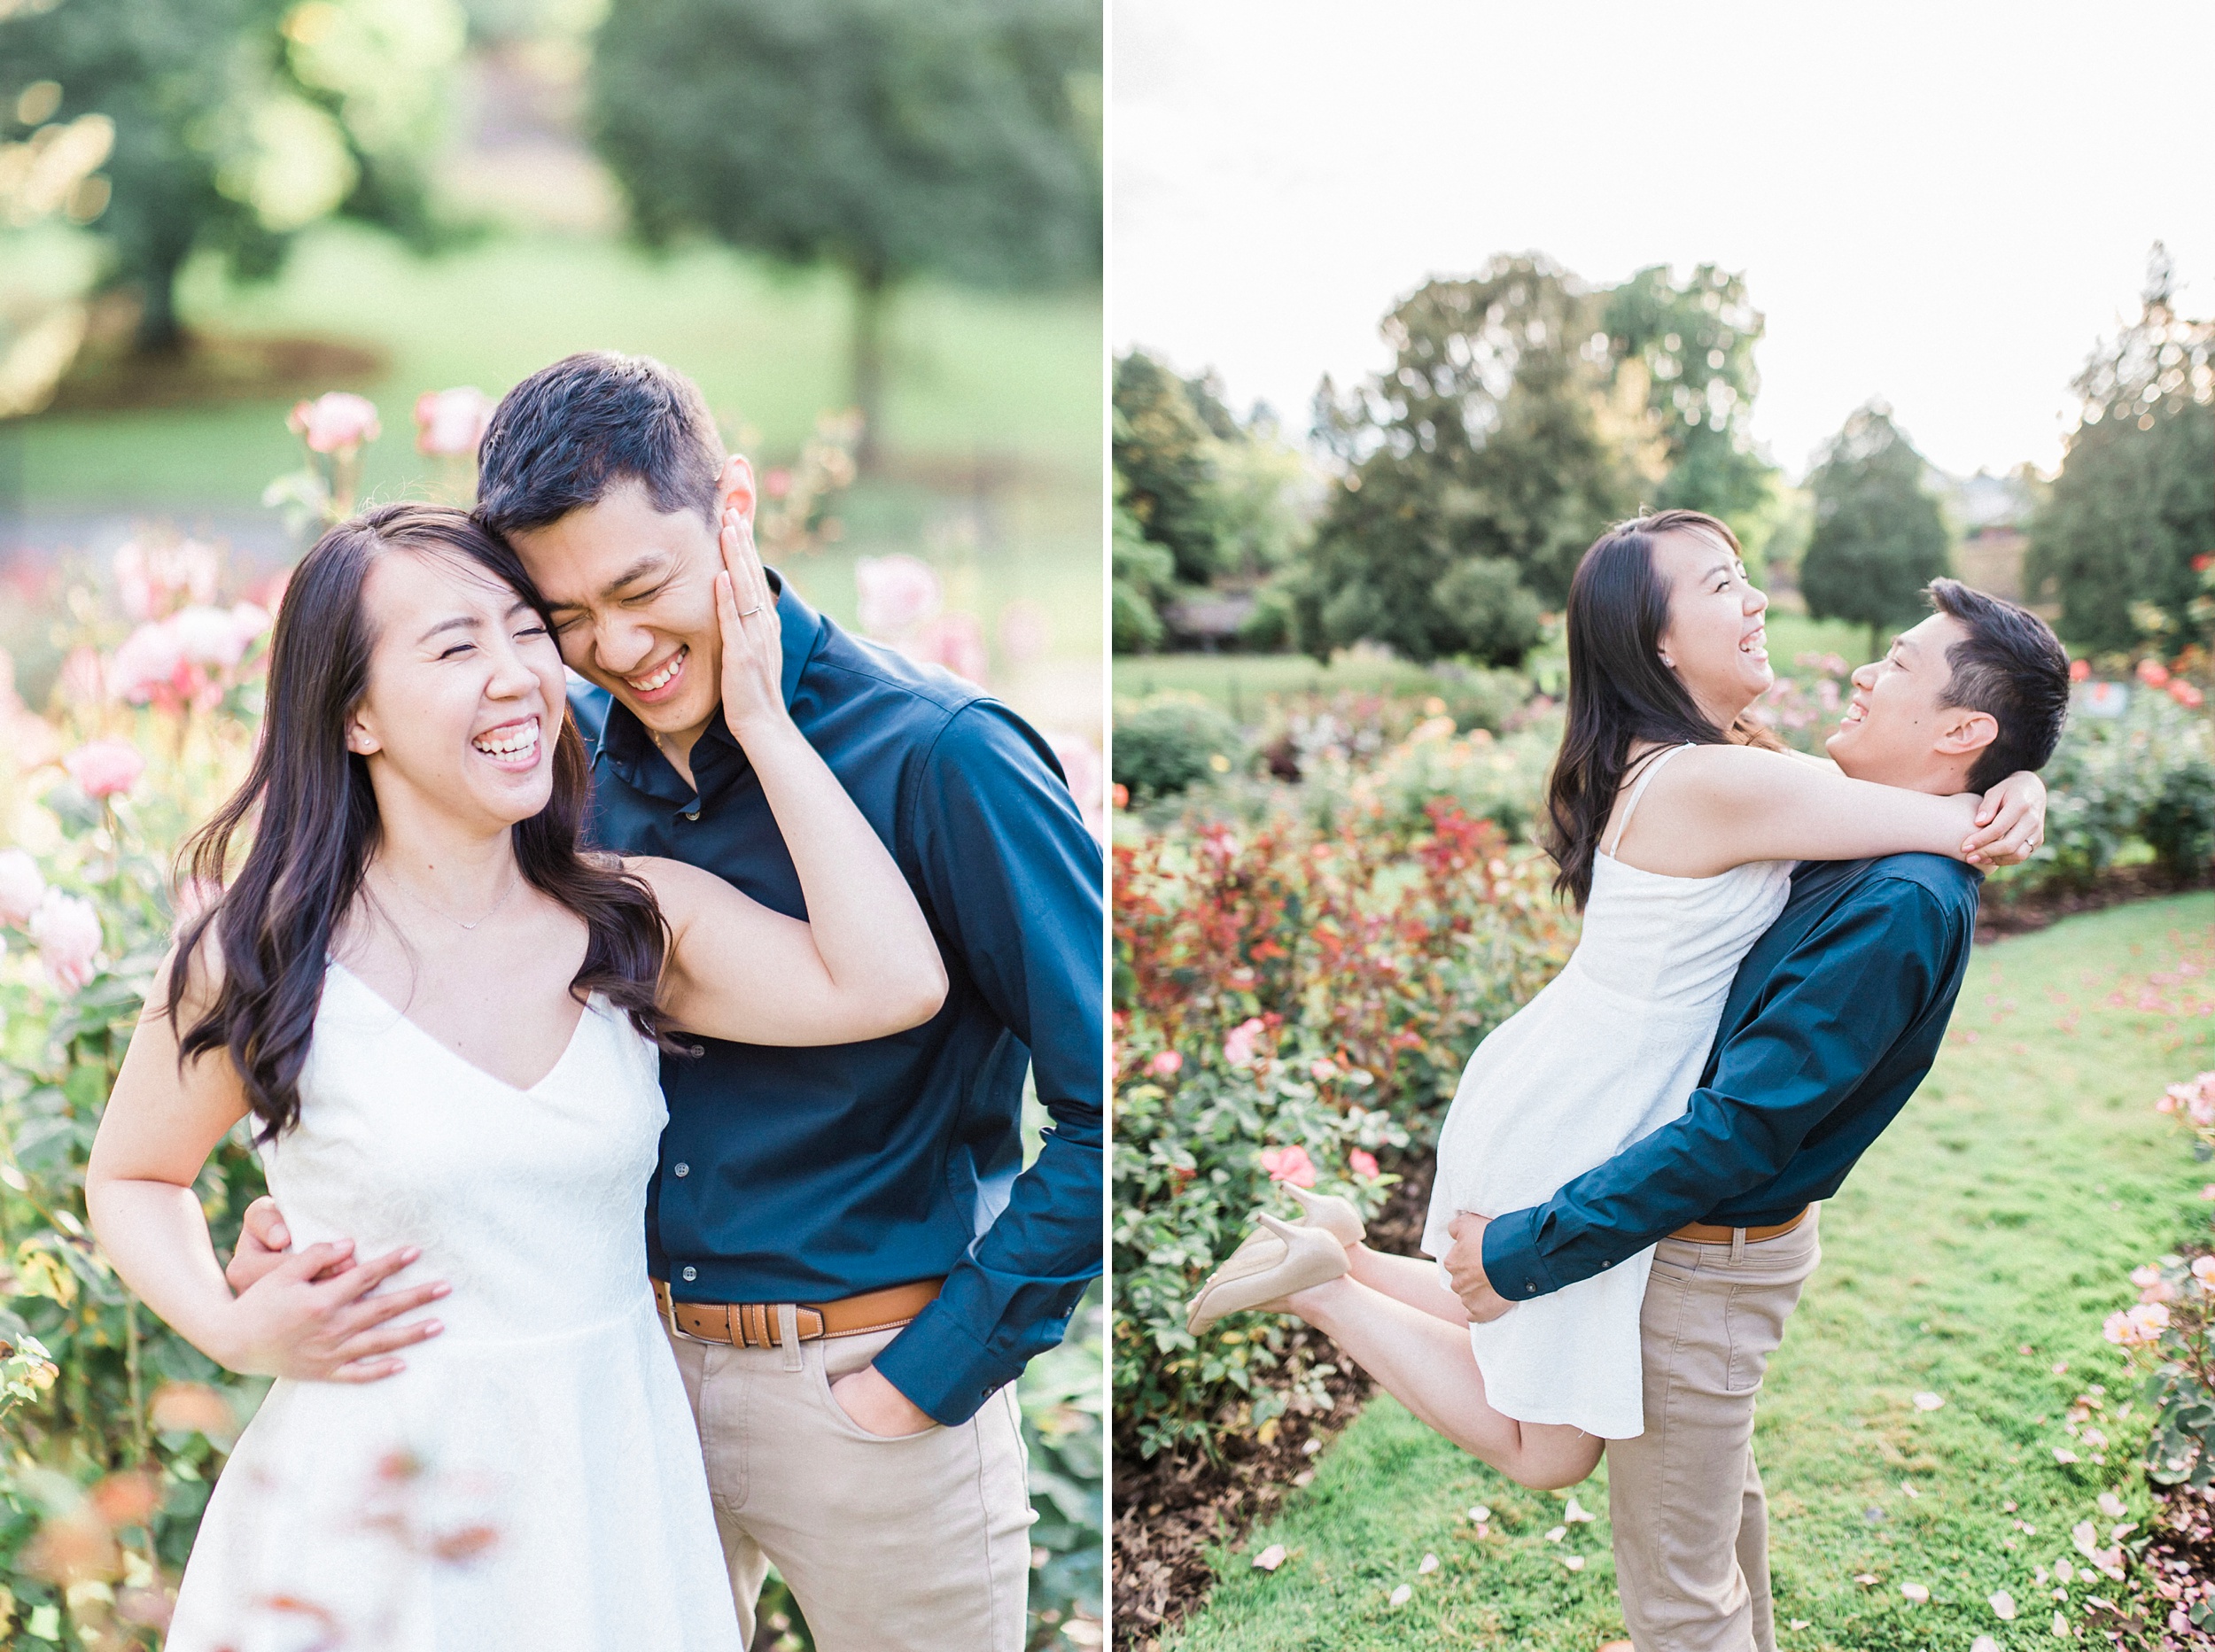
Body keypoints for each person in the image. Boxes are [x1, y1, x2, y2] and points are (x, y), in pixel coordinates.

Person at [223, 353, 1106, 1651]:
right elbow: (422, 973)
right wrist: (332, 1199)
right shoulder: (554, 767)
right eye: (564, 615)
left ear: (733, 510)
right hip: (621, 1409)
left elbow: (1110, 1108)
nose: (615, 649)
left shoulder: (943, 755)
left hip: (869, 1389)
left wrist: (938, 1371)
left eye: (643, 588)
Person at [87, 502, 948, 1648]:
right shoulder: (262, 953)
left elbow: (892, 983)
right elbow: (135, 1175)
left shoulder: (630, 921)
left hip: (609, 1504)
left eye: (525, 632)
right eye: (455, 648)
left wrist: (763, 717)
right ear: (354, 716)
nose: (519, 678)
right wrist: (230, 1328)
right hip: (369, 1514)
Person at [1183, 510, 2055, 1501]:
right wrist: (2017, 787)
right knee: (1546, 1440)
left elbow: (1930, 807)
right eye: (1722, 585)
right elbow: (1953, 819)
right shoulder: (1715, 779)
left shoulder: (1714, 761)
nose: (1755, 596)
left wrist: (2015, 774)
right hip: (1591, 1100)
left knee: (1514, 1322)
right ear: (1658, 642)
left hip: (1579, 1073)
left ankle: (1329, 1253)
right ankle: (1327, 1284)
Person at [1437, 571, 2071, 1650]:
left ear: (1963, 725)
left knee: (1680, 1597)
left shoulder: (1901, 900)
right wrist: (2011, 792)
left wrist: (1525, 1250)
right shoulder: (1868, 830)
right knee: (1717, 1525)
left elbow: (1740, 1130)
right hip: (1707, 1245)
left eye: (1900, 663)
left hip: (1705, 1255)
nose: (1867, 671)